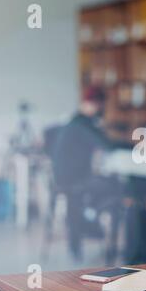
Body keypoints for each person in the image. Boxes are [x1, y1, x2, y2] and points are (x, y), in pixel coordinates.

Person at [52, 85, 130, 261]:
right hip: (74, 181)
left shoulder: (75, 122)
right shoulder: (83, 124)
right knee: (117, 188)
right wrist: (135, 146)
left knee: (105, 185)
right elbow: (107, 145)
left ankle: (90, 219)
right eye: (102, 105)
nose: (102, 110)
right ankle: (96, 225)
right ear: (97, 103)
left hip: (65, 179)